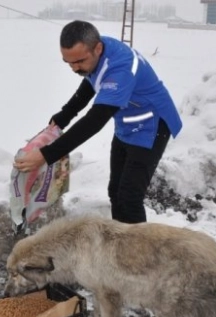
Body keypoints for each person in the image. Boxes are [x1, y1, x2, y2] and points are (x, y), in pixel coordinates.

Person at [13, 20, 182, 224]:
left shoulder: (121, 69)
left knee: (129, 198)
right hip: (127, 123)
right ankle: (120, 243)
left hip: (152, 126)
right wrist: (65, 115)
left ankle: (137, 253)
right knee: (115, 192)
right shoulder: (98, 51)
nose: (75, 69)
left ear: (97, 48)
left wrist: (46, 154)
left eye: (79, 62)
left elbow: (95, 120)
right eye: (69, 62)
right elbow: (91, 80)